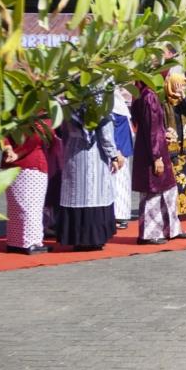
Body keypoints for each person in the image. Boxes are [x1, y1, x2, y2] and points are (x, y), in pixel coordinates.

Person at [56, 92, 121, 251]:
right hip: (94, 153)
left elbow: (62, 131)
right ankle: (94, 238)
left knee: (76, 194)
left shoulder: (67, 104)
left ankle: (78, 239)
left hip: (73, 151)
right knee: (94, 193)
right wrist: (113, 155)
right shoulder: (99, 106)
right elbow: (105, 135)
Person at [132, 81, 186, 245]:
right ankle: (149, 234)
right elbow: (151, 129)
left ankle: (171, 229)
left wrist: (163, 134)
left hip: (155, 148)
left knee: (168, 190)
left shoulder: (143, 94)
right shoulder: (149, 97)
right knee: (153, 193)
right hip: (153, 151)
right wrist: (156, 156)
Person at [1, 120, 56, 254]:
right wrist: (17, 154)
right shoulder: (41, 115)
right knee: (32, 206)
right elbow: (37, 137)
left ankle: (15, 242)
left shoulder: (10, 114)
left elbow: (1, 132)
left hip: (10, 164)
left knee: (16, 206)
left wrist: (8, 148)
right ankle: (30, 242)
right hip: (32, 163)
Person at [163, 72, 186, 222]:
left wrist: (184, 96)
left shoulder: (185, 101)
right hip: (173, 148)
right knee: (177, 179)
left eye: (184, 85)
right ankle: (178, 209)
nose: (183, 87)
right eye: (180, 84)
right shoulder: (164, 104)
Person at [110, 89, 135, 229]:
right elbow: (112, 131)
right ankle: (117, 214)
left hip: (123, 149)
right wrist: (117, 150)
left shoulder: (121, 108)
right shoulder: (113, 109)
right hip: (118, 150)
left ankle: (122, 214)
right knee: (117, 181)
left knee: (122, 182)